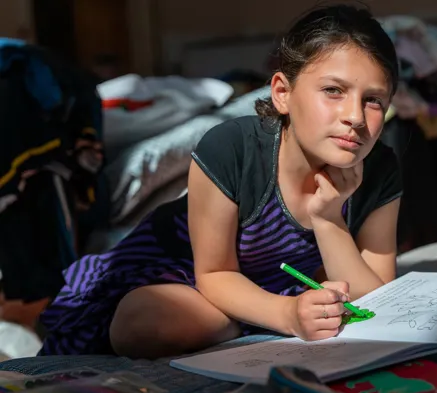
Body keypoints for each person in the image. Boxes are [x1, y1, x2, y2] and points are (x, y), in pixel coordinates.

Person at [37, 4, 401, 359]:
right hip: (187, 278)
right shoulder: (232, 150)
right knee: (146, 320)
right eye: (333, 91)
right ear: (282, 93)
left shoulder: (380, 169)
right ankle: (253, 326)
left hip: (275, 290)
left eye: (373, 100)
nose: (354, 116)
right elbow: (214, 273)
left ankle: (258, 321)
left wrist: (328, 219)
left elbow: (377, 302)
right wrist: (288, 315)